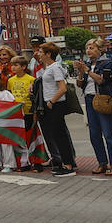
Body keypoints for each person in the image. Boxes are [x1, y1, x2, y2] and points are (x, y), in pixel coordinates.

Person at [74, 38, 112, 175]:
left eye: (92, 48)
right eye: (87, 48)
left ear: (100, 50)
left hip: (103, 99)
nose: (88, 51)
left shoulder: (108, 63)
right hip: (89, 100)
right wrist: (81, 72)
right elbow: (79, 84)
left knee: (109, 134)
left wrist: (87, 71)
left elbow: (101, 80)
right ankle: (102, 163)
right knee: (94, 135)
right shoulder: (86, 64)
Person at [34, 41, 75, 176]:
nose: (38, 54)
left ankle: (68, 165)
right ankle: (65, 163)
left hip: (56, 104)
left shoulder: (55, 67)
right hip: (51, 104)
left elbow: (62, 88)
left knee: (60, 135)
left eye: (41, 52)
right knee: (57, 134)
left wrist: (51, 101)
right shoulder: (50, 67)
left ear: (48, 54)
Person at [6, 55, 41, 171]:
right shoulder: (10, 80)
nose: (13, 67)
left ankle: (36, 161)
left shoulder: (30, 79)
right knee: (19, 138)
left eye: (16, 65)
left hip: (28, 112)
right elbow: (9, 95)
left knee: (30, 137)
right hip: (16, 113)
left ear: (24, 66)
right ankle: (23, 162)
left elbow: (35, 97)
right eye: (12, 65)